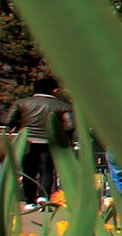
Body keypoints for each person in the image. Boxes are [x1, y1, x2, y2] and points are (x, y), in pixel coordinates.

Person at [7, 82, 74, 213]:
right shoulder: (62, 106)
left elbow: (9, 121)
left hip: (27, 142)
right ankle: (44, 197)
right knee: (47, 170)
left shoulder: (21, 103)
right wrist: (61, 135)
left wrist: (18, 125)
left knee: (28, 172)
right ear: (54, 91)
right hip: (50, 142)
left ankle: (29, 201)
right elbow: (70, 125)